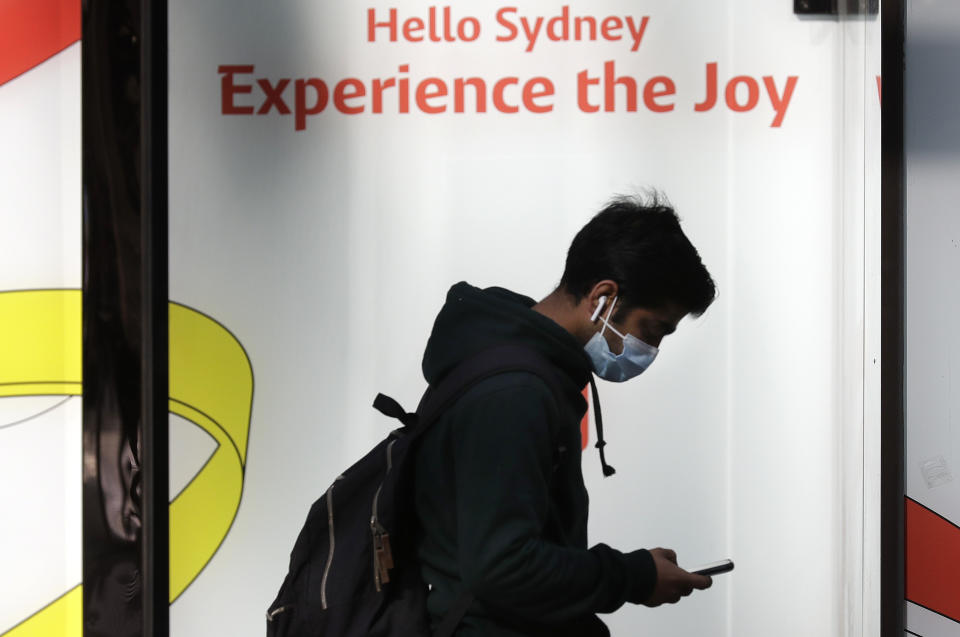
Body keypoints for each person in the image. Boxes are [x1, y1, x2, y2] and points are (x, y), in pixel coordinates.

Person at [413, 194, 717, 636]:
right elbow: (503, 566)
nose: (651, 350)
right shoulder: (515, 393)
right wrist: (635, 576)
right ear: (603, 298)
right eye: (652, 330)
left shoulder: (517, 367)